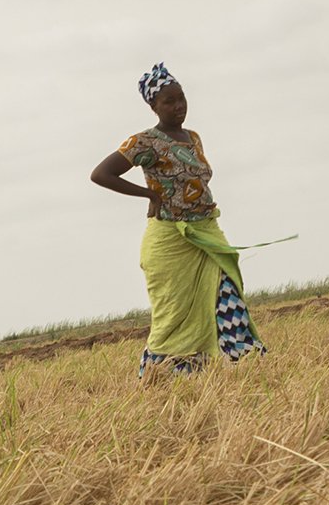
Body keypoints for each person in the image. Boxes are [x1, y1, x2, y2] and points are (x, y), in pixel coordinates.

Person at [90, 63, 267, 376]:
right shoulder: (145, 142)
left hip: (206, 233)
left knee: (228, 294)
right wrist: (151, 196)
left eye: (181, 98)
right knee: (174, 315)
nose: (178, 106)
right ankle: (163, 377)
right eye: (169, 101)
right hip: (170, 242)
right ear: (153, 106)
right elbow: (101, 174)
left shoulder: (193, 138)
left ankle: (240, 366)